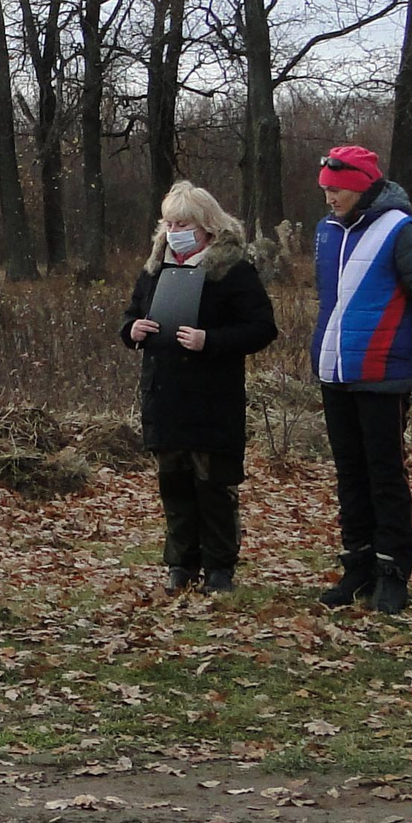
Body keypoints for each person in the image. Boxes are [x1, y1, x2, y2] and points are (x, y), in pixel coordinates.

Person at [310, 144, 412, 615]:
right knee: (350, 475)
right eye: (327, 189)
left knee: (384, 475)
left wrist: (403, 358)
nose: (330, 197)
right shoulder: (326, 232)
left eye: (339, 189)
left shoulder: (401, 231)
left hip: (383, 377)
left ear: (363, 185)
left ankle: (393, 571)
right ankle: (358, 564)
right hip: (336, 374)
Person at [119, 181, 279, 593]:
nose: (175, 230)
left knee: (214, 487)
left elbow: (261, 328)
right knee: (174, 486)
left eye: (184, 223)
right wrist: (131, 330)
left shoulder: (234, 270)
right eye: (169, 222)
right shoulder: (154, 269)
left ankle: (220, 567)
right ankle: (181, 564)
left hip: (213, 399)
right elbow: (131, 315)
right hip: (165, 396)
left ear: (207, 226)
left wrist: (211, 340)